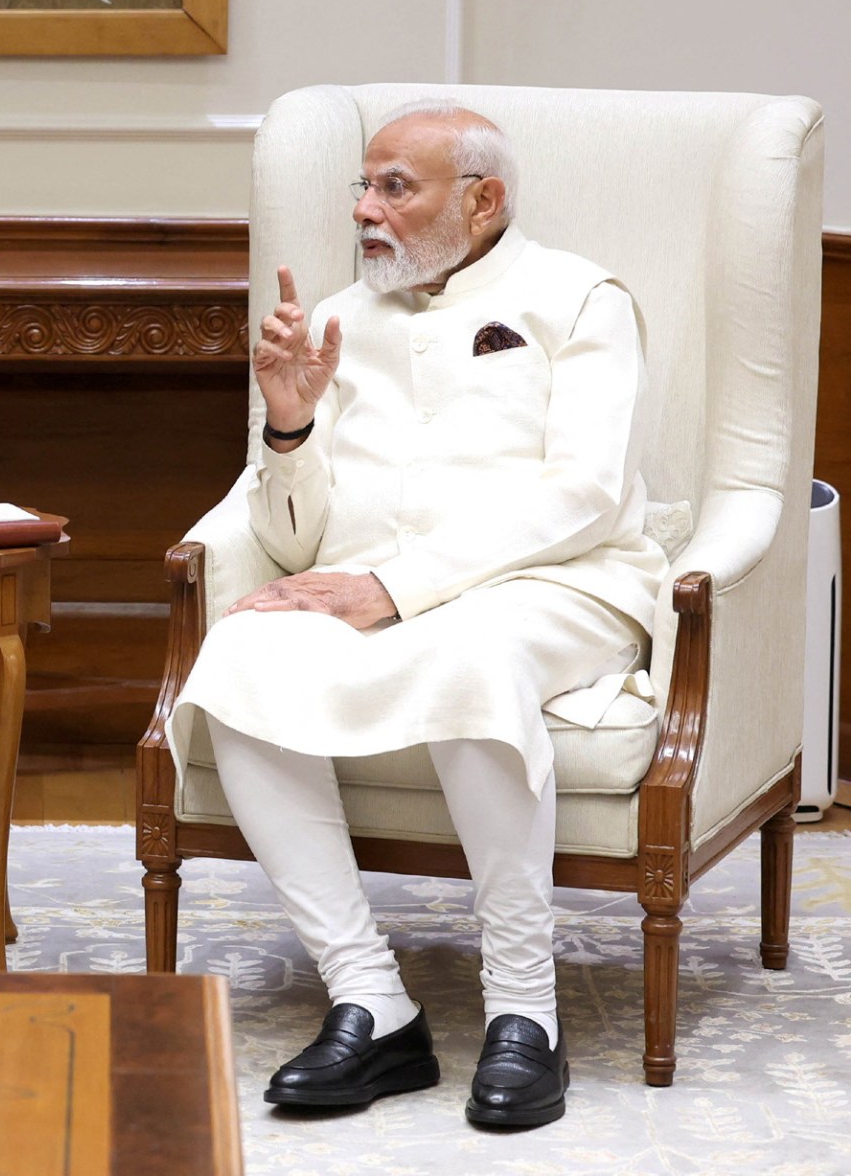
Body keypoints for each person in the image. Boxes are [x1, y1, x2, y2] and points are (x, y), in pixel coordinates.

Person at [166, 102, 665, 1129]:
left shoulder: (581, 299)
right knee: (241, 651)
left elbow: (586, 495)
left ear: (484, 200)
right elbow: (296, 543)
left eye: (395, 187)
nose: (364, 210)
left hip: (562, 583)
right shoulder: (340, 318)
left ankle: (525, 1011)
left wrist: (398, 589)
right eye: (363, 185)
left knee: (472, 651)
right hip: (375, 584)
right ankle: (372, 1002)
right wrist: (290, 424)